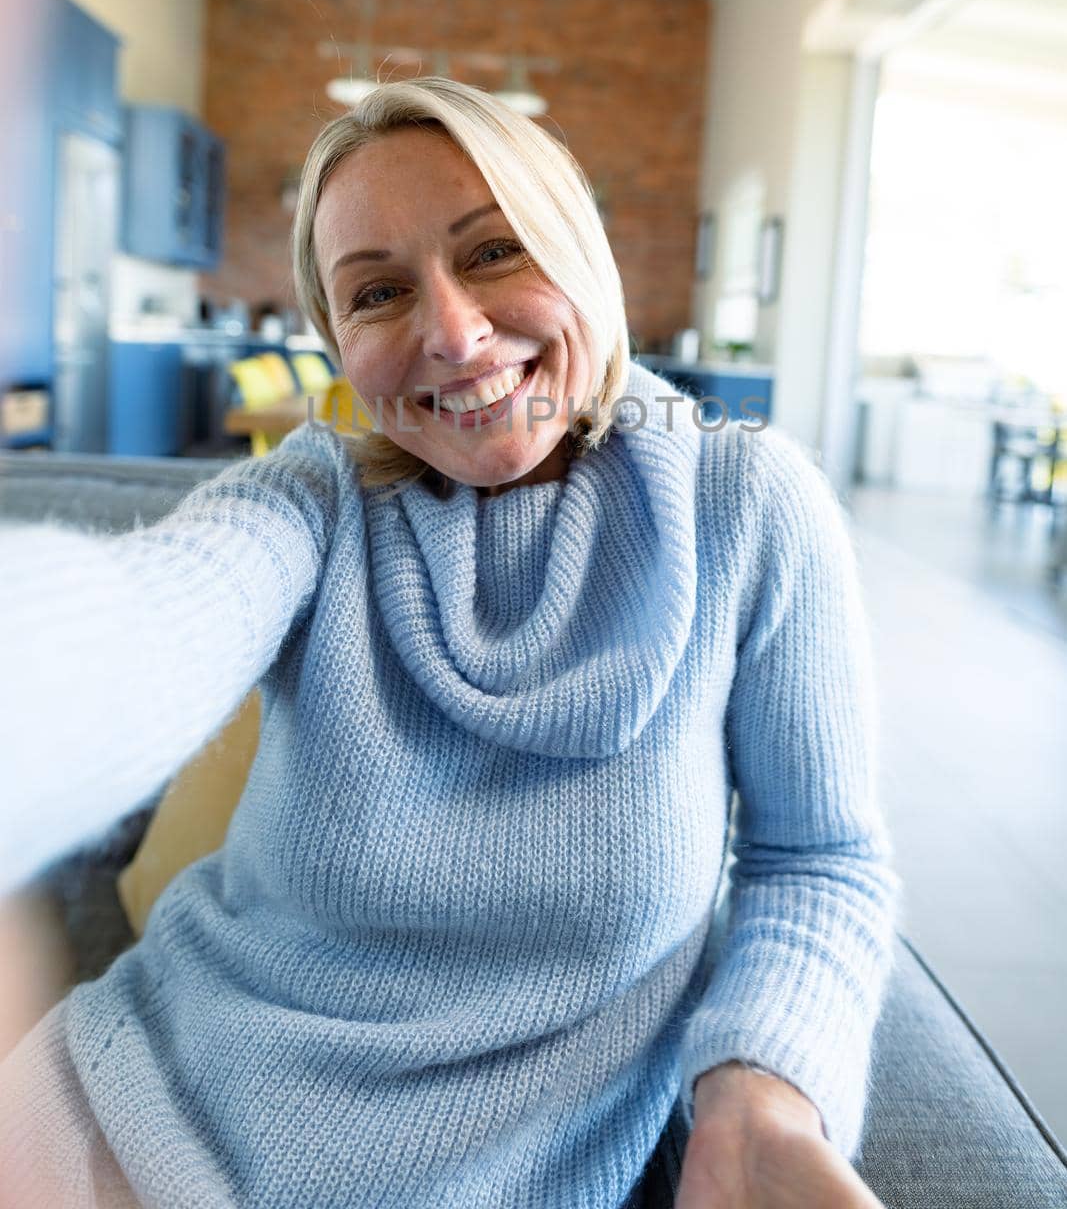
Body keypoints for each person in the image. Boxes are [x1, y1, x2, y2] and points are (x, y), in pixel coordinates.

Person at [0, 77, 898, 1208]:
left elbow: (819, 859)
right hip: (127, 1114)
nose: (451, 332)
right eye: (376, 291)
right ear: (338, 340)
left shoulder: (745, 504)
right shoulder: (312, 503)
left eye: (490, 252)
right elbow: (136, 630)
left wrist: (757, 1094)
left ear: (579, 254)